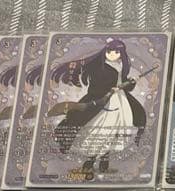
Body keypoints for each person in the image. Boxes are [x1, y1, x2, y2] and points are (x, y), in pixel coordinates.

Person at [50, 38, 147, 175]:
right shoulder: (99, 67)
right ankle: (89, 163)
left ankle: (104, 165)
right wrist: (110, 89)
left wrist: (131, 83)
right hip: (102, 101)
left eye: (117, 52)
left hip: (120, 101)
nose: (112, 54)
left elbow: (124, 84)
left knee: (114, 133)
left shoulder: (120, 65)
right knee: (102, 132)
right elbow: (95, 87)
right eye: (109, 51)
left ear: (121, 54)